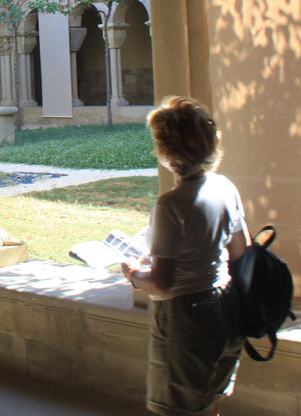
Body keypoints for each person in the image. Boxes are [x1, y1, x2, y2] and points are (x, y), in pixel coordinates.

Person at [122, 96, 250, 416]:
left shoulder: (171, 204)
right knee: (210, 399)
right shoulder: (225, 187)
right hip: (225, 306)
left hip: (185, 317)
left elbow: (162, 283)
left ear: (166, 150)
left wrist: (134, 274)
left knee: (177, 406)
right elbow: (241, 251)